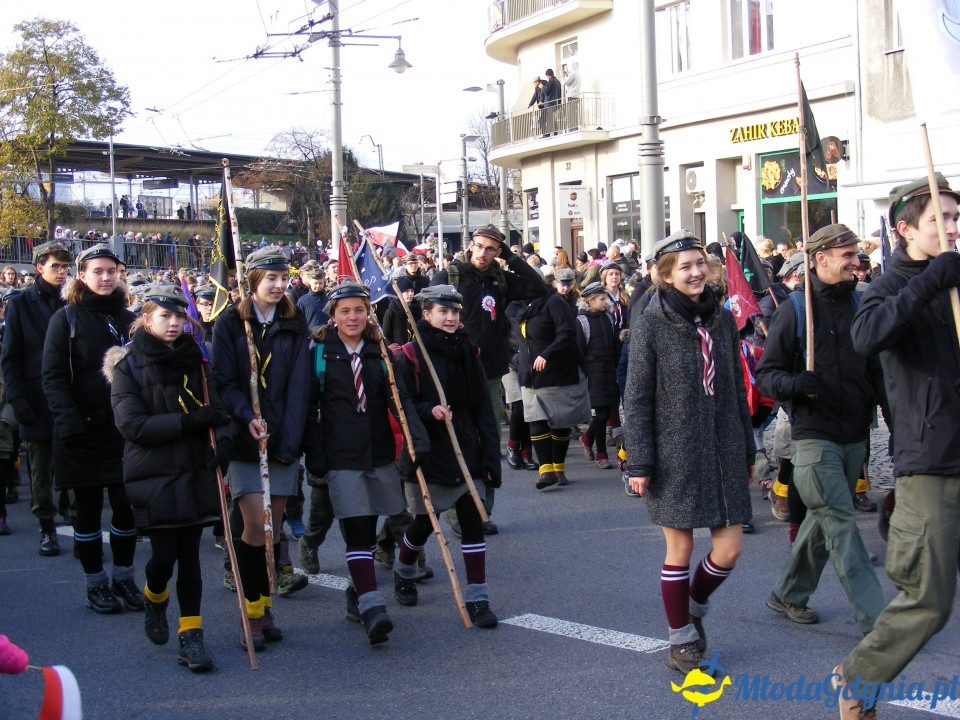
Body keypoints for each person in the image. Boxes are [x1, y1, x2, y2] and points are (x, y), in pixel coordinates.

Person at [835, 175, 960, 720]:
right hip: (933, 459)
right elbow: (869, 336)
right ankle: (858, 679)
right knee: (928, 600)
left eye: (957, 219)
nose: (952, 229)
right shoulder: (889, 287)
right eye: (941, 220)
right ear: (904, 229)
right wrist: (931, 281)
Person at [623, 231, 755, 673]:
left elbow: (736, 384)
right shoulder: (651, 324)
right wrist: (639, 461)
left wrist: (748, 447)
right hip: (673, 450)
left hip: (723, 446)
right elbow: (637, 398)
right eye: (685, 266)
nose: (696, 272)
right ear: (665, 275)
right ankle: (681, 640)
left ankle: (692, 605)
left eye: (700, 263)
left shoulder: (720, 318)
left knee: (730, 549)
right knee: (679, 549)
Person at [755, 224, 885, 637]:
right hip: (812, 434)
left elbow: (878, 371)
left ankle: (788, 592)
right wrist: (794, 385)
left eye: (856, 255)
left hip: (855, 433)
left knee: (822, 520)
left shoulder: (864, 303)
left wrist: (896, 419)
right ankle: (878, 620)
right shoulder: (795, 309)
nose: (855, 262)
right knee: (842, 524)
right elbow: (767, 375)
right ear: (820, 259)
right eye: (846, 255)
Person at [106, 284, 231, 673]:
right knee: (163, 557)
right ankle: (154, 595)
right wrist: (190, 422)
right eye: (165, 316)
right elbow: (132, 425)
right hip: (153, 473)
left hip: (194, 469)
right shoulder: (127, 366)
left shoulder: (197, 361)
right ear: (146, 319)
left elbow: (218, 409)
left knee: (190, 557)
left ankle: (191, 635)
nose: (174, 324)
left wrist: (223, 441)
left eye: (179, 317)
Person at [302, 282, 428, 645]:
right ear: (333, 315)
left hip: (378, 452)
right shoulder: (320, 351)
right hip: (340, 454)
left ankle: (356, 594)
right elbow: (310, 408)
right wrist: (315, 454)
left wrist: (416, 441)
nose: (353, 317)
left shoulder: (380, 352)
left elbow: (398, 401)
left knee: (370, 526)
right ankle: (373, 608)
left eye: (359, 310)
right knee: (356, 531)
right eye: (345, 311)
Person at [212, 246, 310, 651]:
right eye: (269, 277)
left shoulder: (293, 319)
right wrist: (245, 416)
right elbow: (223, 381)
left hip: (283, 439)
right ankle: (250, 609)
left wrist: (287, 440)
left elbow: (299, 386)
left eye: (283, 277)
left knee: (271, 530)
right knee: (254, 525)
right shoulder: (231, 322)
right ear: (251, 280)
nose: (277, 285)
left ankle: (265, 605)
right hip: (243, 439)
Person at [41, 244, 142, 614]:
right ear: (81, 276)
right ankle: (95, 583)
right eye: (97, 271)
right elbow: (52, 378)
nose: (104, 278)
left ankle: (125, 578)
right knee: (86, 511)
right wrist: (68, 423)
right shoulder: (65, 318)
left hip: (124, 431)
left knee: (125, 508)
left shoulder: (130, 317)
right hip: (80, 431)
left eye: (110, 271)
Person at [392, 285, 501, 628]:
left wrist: (490, 457)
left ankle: (478, 598)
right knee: (426, 520)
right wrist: (429, 410)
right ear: (426, 314)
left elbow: (484, 407)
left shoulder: (470, 352)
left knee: (472, 523)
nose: (451, 318)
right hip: (431, 448)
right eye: (443, 311)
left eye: (455, 312)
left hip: (465, 446)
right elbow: (402, 403)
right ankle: (403, 569)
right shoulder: (411, 354)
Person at [430, 226, 547, 531]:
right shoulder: (450, 276)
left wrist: (512, 257)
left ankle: (482, 512)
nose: (483, 253)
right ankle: (458, 513)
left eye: (491, 249)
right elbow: (426, 319)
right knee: (457, 442)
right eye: (479, 246)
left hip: (491, 375)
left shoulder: (500, 278)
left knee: (488, 443)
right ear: (470, 245)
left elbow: (538, 288)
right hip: (454, 375)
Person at [2, 242, 73, 555]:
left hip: (70, 396)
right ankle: (47, 527)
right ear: (39, 266)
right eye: (55, 266)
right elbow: (11, 357)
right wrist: (18, 399)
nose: (61, 272)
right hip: (35, 397)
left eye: (65, 267)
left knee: (71, 464)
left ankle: (73, 521)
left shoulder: (74, 302)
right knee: (40, 468)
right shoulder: (20, 304)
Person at [517, 275, 590, 490]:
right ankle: (546, 471)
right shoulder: (525, 306)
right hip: (531, 374)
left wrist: (547, 354)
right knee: (535, 417)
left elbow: (567, 333)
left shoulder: (554, 302)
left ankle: (558, 468)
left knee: (560, 421)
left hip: (558, 370)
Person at [577, 282, 618, 470]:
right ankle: (601, 452)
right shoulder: (582, 321)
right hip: (593, 371)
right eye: (602, 299)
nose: (606, 301)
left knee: (606, 410)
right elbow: (578, 350)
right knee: (601, 413)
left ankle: (587, 437)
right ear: (590, 300)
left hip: (608, 369)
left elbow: (613, 343)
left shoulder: (608, 317)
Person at [382, 277, 419, 346]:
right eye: (407, 291)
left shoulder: (418, 309)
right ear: (400, 293)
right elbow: (387, 334)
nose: (410, 294)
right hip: (399, 349)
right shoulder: (391, 311)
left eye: (412, 291)